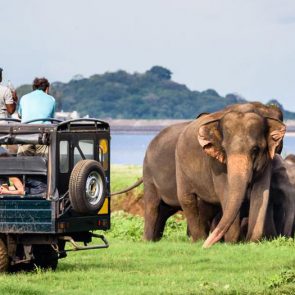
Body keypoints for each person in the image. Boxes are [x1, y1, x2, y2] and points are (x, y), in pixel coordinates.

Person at [17, 77, 56, 156]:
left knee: (23, 163)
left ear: (33, 88)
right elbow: (51, 119)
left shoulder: (24, 98)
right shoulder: (51, 99)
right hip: (43, 135)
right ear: (47, 88)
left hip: (25, 134)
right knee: (45, 163)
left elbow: (20, 115)